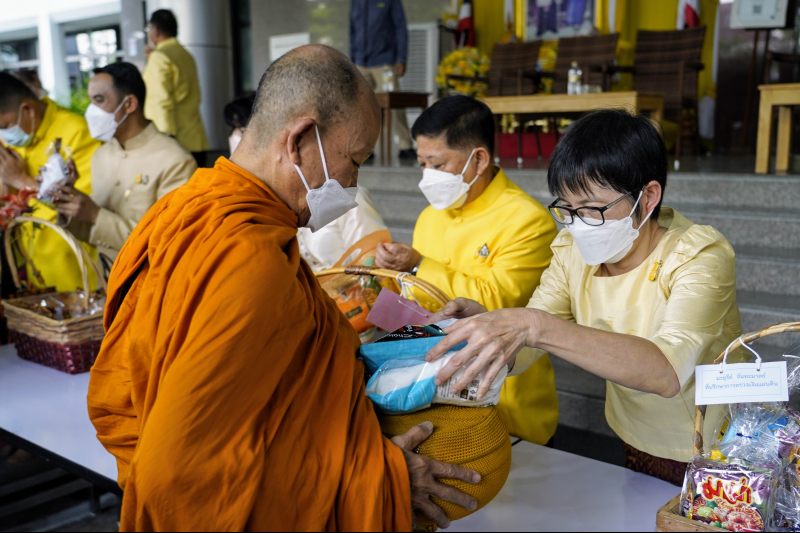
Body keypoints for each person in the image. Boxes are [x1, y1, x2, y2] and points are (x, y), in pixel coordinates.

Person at [87, 45, 480, 531]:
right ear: (298, 141)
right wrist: (376, 476)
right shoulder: (246, 260)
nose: (354, 183)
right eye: (354, 160)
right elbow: (181, 476)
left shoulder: (180, 209)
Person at [425, 109, 743, 485]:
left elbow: (666, 371)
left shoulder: (698, 255)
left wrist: (534, 326)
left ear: (649, 196)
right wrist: (492, 329)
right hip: (634, 435)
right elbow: (529, 342)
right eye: (568, 209)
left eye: (592, 209)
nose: (578, 224)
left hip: (714, 445)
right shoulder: (572, 251)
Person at [374, 95, 559, 446]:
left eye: (438, 164)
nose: (427, 176)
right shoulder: (431, 215)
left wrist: (417, 265)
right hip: (434, 387)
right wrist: (392, 276)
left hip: (504, 399)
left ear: (479, 159)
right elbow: (418, 300)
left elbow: (496, 302)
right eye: (421, 163)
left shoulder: (527, 220)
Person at [224, 93, 389, 272]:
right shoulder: (265, 199)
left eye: (241, 129)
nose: (234, 137)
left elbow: (374, 265)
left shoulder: (341, 195)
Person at [53, 62, 196, 262]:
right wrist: (66, 203)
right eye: (91, 101)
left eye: (99, 100)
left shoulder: (175, 160)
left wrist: (96, 215)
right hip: (106, 280)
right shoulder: (102, 155)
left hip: (149, 284)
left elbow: (168, 240)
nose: (91, 111)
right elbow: (95, 235)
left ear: (129, 104)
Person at [0, 72, 101, 292]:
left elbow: (83, 209)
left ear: (27, 110)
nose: (4, 134)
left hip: (74, 265)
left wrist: (20, 179)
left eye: (5, 125)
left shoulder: (77, 133)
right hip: (31, 263)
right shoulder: (11, 136)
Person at [350, 0, 416, 160]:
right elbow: (352, 30)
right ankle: (365, 148)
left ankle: (405, 145)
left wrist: (401, 58)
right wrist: (351, 58)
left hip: (384, 61)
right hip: (360, 62)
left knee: (394, 103)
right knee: (361, 106)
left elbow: (400, 28)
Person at [143, 9, 209, 167]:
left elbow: (160, 102)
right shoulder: (186, 55)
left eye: (148, 29)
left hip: (175, 143)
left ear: (155, 30)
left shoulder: (159, 57)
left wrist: (164, 139)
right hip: (195, 138)